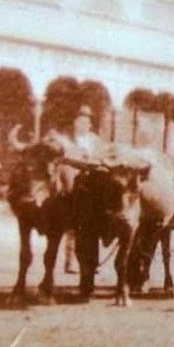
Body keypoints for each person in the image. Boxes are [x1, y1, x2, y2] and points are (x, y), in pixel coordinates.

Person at [61, 105, 108, 275]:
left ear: (90, 124)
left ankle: (93, 262)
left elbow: (102, 158)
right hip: (73, 183)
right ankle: (70, 261)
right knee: (74, 224)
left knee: (94, 226)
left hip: (92, 185)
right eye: (80, 120)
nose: (83, 124)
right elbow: (64, 159)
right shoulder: (67, 139)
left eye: (86, 121)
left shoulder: (95, 140)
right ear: (74, 122)